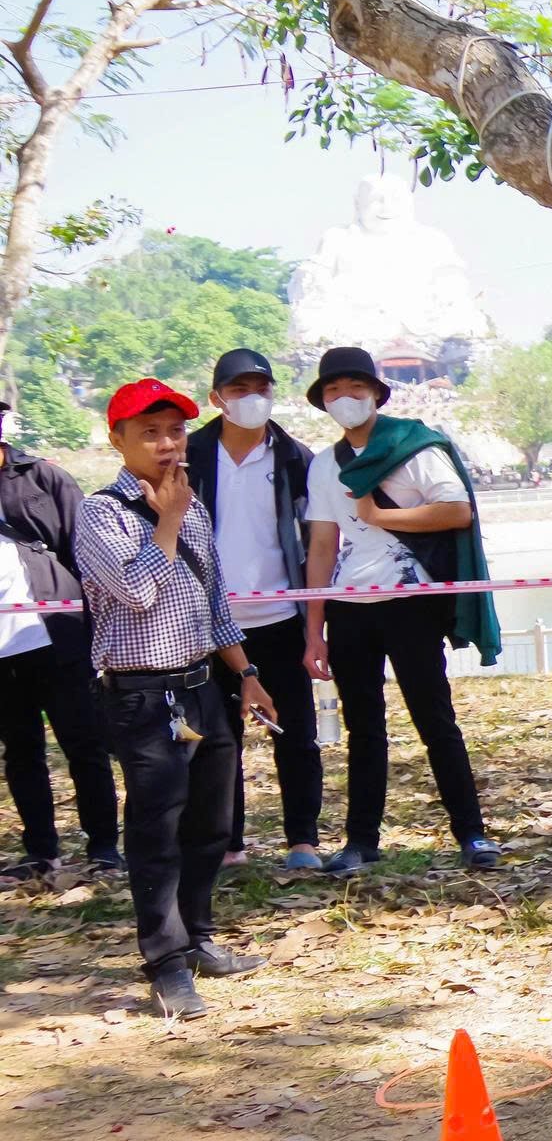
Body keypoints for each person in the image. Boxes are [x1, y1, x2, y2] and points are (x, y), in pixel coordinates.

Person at [74, 379, 279, 1019]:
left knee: (211, 821)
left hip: (200, 683)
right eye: (150, 434)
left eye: (175, 431)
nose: (167, 445)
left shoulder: (194, 507)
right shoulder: (98, 513)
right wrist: (166, 518)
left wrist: (245, 671)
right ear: (119, 441)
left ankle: (199, 937)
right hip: (140, 692)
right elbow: (136, 592)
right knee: (156, 825)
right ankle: (164, 962)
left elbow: (211, 599)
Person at [299, 346, 500, 875]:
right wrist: (313, 631)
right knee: (364, 725)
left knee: (435, 719)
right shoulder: (324, 466)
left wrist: (382, 517)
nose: (345, 397)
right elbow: (322, 546)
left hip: (411, 602)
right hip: (349, 608)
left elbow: (456, 511)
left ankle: (472, 835)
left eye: (355, 387)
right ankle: (361, 841)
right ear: (323, 401)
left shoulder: (414, 446)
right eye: (334, 390)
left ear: (376, 394)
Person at [186, 349, 325, 872]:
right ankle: (228, 843)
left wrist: (315, 625)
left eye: (260, 388)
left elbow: (315, 542)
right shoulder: (192, 455)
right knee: (220, 740)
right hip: (209, 626)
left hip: (282, 619)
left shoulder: (294, 457)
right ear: (216, 398)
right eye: (239, 389)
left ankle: (303, 840)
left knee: (297, 734)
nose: (251, 398)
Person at [0, 392, 120, 879]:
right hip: (2, 651)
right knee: (21, 750)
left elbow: (86, 553)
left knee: (84, 743)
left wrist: (96, 632)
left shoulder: (44, 477)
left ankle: (105, 848)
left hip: (57, 636)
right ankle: (40, 851)